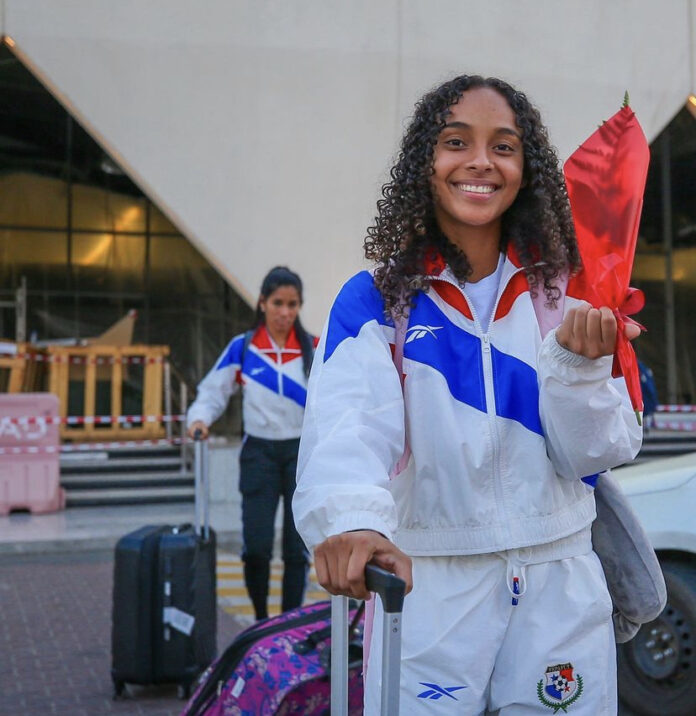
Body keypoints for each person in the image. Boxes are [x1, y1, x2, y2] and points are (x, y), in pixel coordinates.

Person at [293, 75, 643, 714]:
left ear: (526, 170)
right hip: (429, 586)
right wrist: (350, 522)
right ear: (425, 162)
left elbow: (596, 454)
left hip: (560, 585)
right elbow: (347, 426)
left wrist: (579, 369)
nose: (481, 161)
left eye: (503, 147)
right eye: (456, 142)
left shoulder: (569, 294)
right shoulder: (376, 301)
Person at [187, 266, 316, 621]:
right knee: (256, 547)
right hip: (258, 453)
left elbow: (341, 395)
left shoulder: (315, 348)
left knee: (296, 549)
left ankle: (288, 623)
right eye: (277, 303)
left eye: (292, 304)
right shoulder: (243, 348)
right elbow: (212, 392)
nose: (285, 312)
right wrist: (199, 418)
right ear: (262, 303)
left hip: (301, 455)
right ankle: (260, 621)